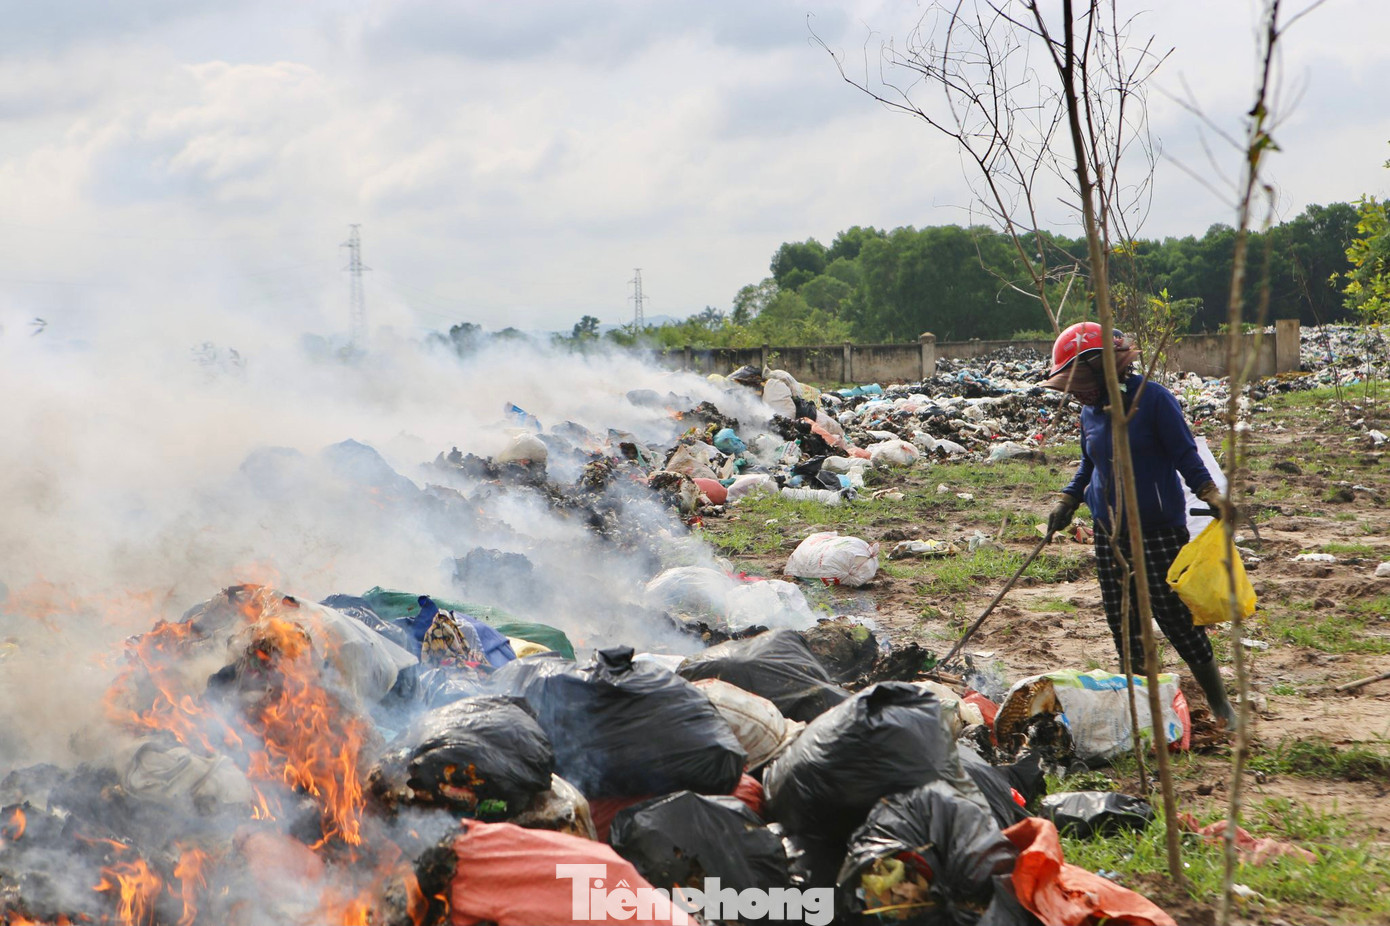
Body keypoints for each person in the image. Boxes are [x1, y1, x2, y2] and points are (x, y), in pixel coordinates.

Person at [1041, 322, 1237, 728]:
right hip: (1108, 533)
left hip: (1158, 529)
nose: (1075, 393)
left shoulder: (1153, 400)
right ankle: (1145, 712)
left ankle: (1221, 706)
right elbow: (1090, 464)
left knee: (1176, 620)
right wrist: (1068, 499)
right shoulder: (1090, 412)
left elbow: (1185, 454)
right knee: (1124, 624)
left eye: (1080, 383)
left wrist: (1210, 493)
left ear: (1104, 369)